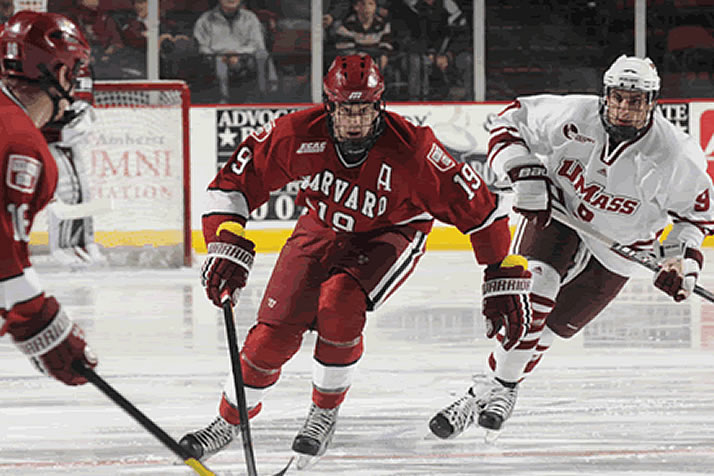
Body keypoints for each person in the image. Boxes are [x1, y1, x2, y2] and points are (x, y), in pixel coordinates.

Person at [179, 53, 534, 468]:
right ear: (329, 105)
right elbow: (235, 182)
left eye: (363, 108)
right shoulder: (295, 132)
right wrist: (225, 238)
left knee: (339, 302)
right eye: (345, 108)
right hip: (321, 227)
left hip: (391, 233)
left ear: (378, 105)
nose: (354, 119)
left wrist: (499, 272)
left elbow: (482, 210)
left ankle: (323, 414)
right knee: (270, 337)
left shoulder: (415, 150)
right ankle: (228, 421)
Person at [428, 55, 714, 440]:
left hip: (622, 248)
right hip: (561, 217)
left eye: (636, 101)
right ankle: (498, 392)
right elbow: (508, 121)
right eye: (619, 97)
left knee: (548, 332)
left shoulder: (675, 156)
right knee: (533, 298)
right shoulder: (574, 114)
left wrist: (680, 263)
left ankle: (488, 392)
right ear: (605, 95)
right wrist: (525, 174)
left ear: (652, 103)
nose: (625, 108)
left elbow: (696, 219)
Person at [0, 11, 98, 385]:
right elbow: (5, 262)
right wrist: (48, 333)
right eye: (74, 74)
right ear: (60, 74)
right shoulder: (21, 142)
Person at [193, 0, 273, 102]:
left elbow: (258, 44)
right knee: (218, 61)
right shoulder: (205, 20)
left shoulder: (250, 18)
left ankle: (262, 99)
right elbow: (202, 47)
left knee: (262, 55)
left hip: (246, 60)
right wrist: (224, 55)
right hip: (216, 61)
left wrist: (237, 54)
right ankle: (223, 100)